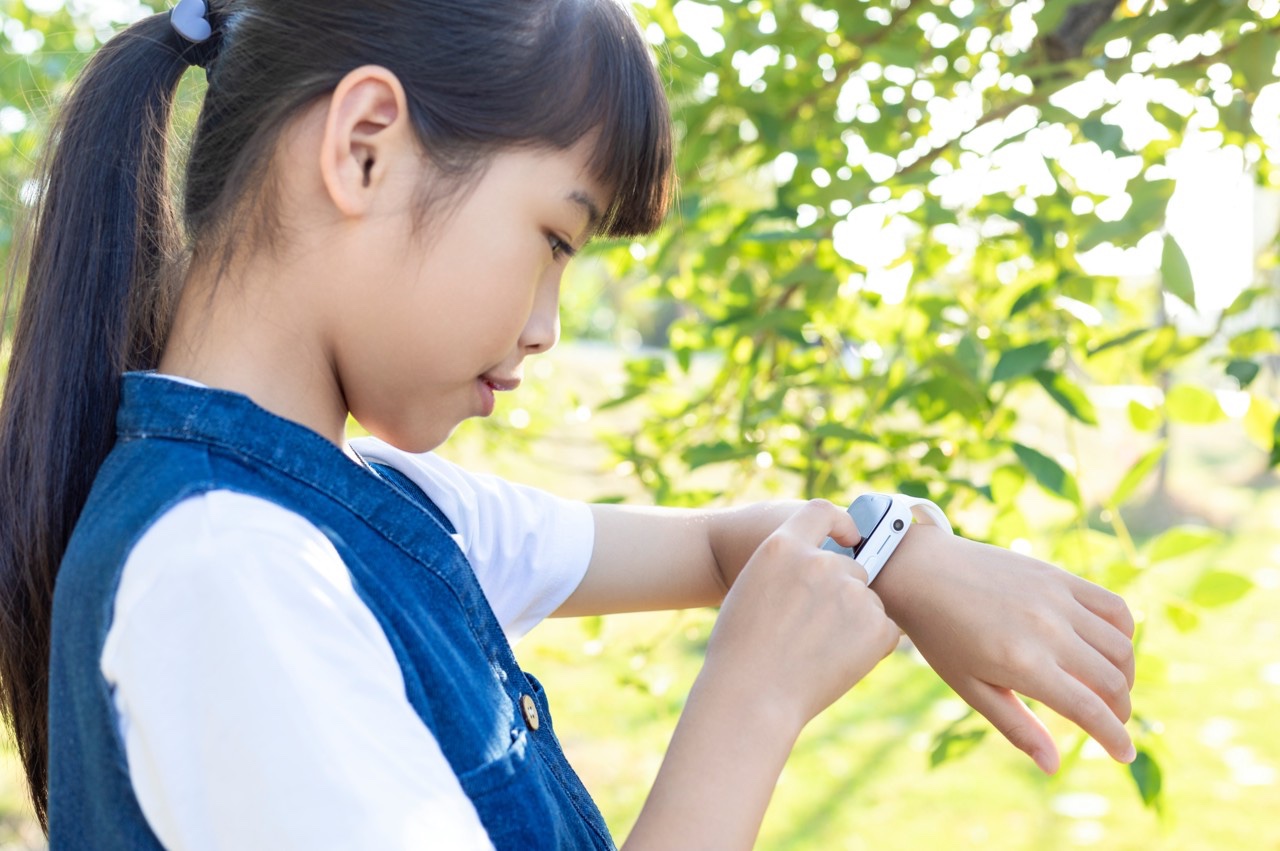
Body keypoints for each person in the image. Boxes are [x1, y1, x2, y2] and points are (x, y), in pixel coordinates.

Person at [0, 0, 1137, 848]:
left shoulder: (380, 506)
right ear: (364, 147)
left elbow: (717, 546)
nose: (547, 326)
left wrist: (909, 557)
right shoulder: (228, 569)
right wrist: (751, 700)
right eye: (554, 238)